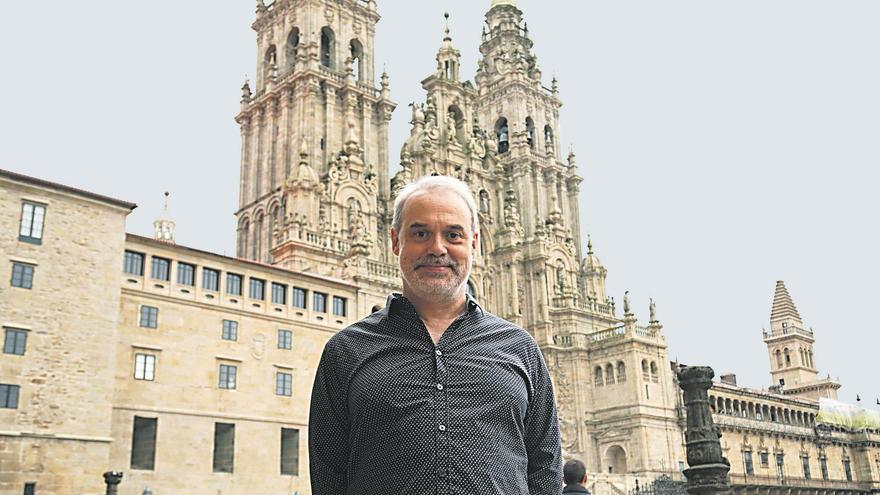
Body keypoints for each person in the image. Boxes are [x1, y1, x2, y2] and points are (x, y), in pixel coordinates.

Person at [309, 175, 562, 494]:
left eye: (453, 235)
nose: (437, 248)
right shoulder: (345, 352)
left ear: (474, 243)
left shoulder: (521, 348)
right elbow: (328, 476)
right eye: (420, 233)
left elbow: (545, 470)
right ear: (395, 241)